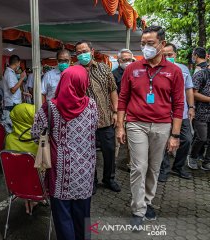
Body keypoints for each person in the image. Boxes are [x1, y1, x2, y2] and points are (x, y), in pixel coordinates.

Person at [116, 26, 184, 228]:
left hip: (163, 125)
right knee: (139, 167)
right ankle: (138, 209)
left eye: (150, 43)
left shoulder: (174, 71)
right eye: (143, 43)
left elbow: (179, 104)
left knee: (154, 168)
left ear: (162, 44)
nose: (145, 47)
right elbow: (123, 98)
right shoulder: (132, 68)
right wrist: (120, 126)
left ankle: (147, 201)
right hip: (136, 123)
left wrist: (175, 135)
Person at [32, 65, 98, 240]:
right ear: (84, 83)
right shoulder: (91, 105)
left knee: (62, 217)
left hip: (60, 172)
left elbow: (35, 133)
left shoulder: (50, 107)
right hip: (85, 171)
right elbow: (94, 129)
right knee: (83, 215)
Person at [75, 40, 121, 193]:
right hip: (84, 122)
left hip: (106, 119)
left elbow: (113, 90)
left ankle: (109, 179)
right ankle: (91, 181)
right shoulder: (74, 71)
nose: (83, 55)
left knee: (109, 152)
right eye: (79, 52)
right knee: (88, 154)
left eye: (85, 51)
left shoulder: (104, 68)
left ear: (92, 51)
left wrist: (115, 112)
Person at [158, 43, 194, 181]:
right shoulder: (158, 69)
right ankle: (164, 169)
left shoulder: (183, 69)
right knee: (163, 141)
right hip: (164, 113)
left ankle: (178, 166)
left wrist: (191, 107)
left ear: (175, 55)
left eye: (170, 55)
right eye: (164, 55)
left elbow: (189, 89)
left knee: (186, 140)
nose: (167, 57)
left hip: (182, 113)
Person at [5, 103, 38, 214]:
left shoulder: (9, 139)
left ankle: (29, 202)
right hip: (39, 186)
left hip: (16, 185)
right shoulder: (40, 142)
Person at [188, 65, 210, 170]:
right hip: (201, 113)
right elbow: (192, 93)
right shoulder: (201, 74)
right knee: (202, 138)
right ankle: (192, 157)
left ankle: (207, 162)